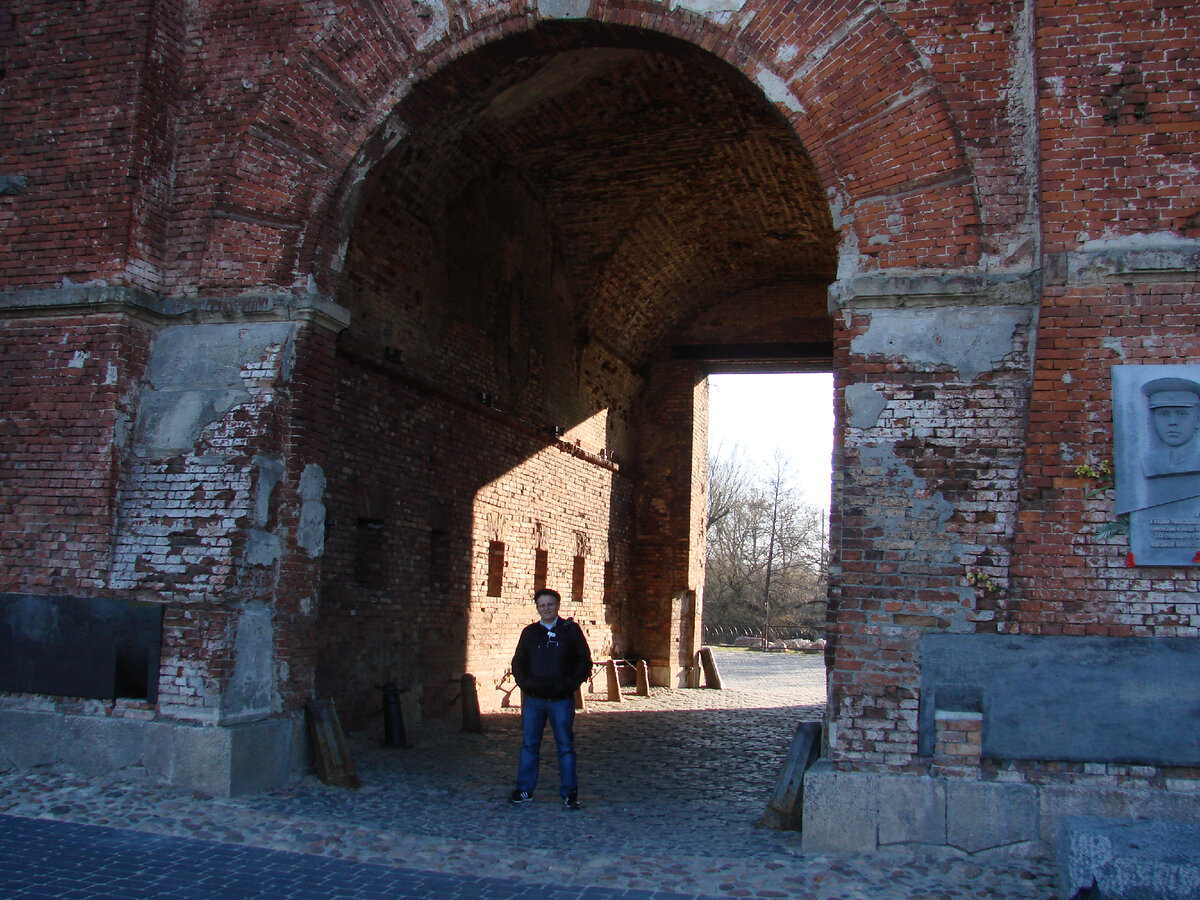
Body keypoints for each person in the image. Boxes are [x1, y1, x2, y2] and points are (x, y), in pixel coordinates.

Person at [509, 588, 592, 809]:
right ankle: (525, 789)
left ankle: (569, 792)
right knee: (529, 745)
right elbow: (518, 662)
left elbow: (584, 661)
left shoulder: (570, 631)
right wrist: (526, 685)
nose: (546, 608)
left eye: (550, 605)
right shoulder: (529, 633)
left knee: (565, 746)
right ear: (537, 608)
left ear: (557, 606)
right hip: (534, 699)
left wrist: (569, 685)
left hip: (561, 699)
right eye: (542, 605)